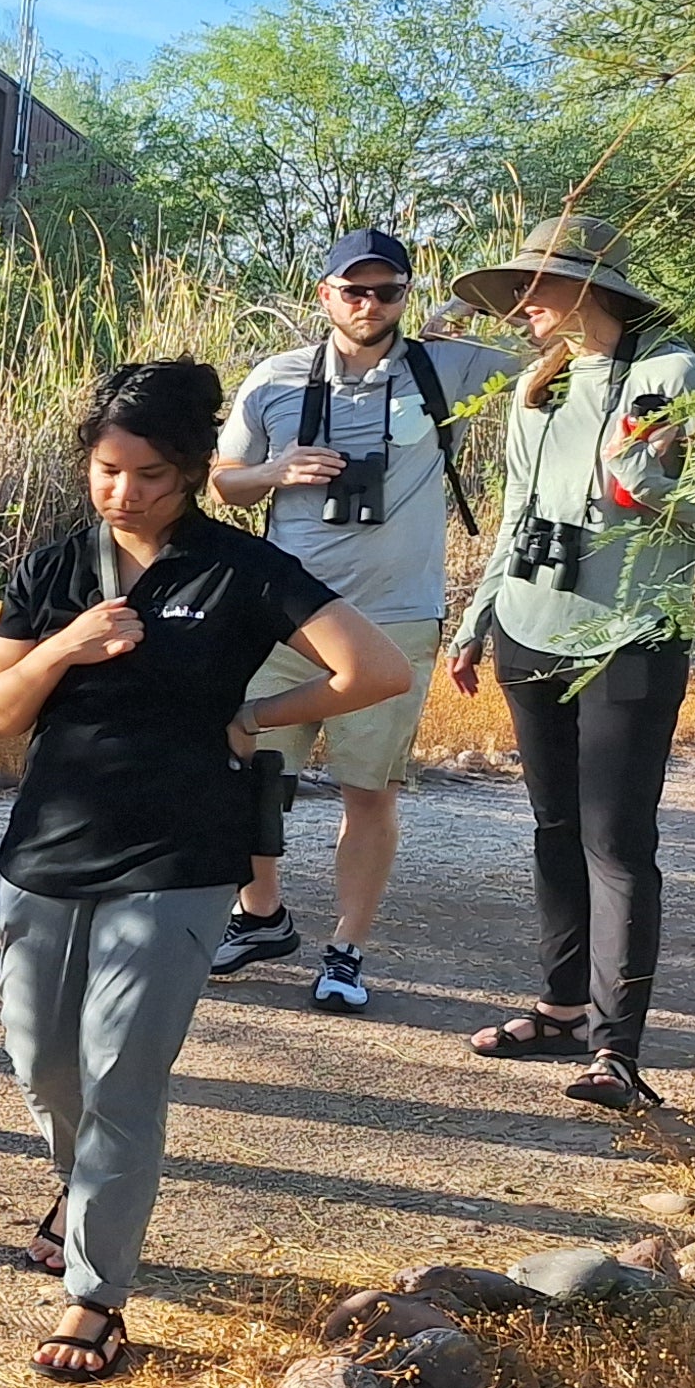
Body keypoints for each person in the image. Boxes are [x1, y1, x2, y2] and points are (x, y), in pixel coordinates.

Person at [0, 361, 408, 1379]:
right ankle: (84, 1191)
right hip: (45, 851)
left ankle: (96, 1298)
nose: (125, 492)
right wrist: (65, 647)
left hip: (181, 855)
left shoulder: (240, 570)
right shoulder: (54, 569)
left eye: (152, 475)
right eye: (108, 470)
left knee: (121, 1074)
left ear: (197, 472)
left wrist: (253, 717)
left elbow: (373, 669)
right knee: (44, 1067)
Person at [441, 215, 695, 1112]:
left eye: (537, 289)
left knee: (617, 842)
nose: (523, 308)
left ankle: (617, 1052)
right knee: (552, 829)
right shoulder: (536, 389)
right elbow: (518, 518)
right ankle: (560, 1007)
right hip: (529, 631)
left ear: (587, 290)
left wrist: (647, 485)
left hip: (629, 638)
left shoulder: (673, 376)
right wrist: (476, 618)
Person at [206, 227, 510, 1013]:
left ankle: (347, 951)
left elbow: (551, 354)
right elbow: (224, 483)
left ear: (406, 295)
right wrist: (278, 470)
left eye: (387, 291)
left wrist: (473, 308)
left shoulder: (447, 367)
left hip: (396, 615)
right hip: (287, 612)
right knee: (248, 765)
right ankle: (260, 913)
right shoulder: (274, 379)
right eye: (354, 290)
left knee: (367, 788)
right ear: (325, 295)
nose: (369, 304)